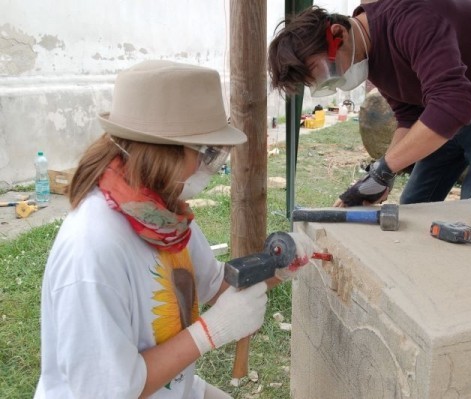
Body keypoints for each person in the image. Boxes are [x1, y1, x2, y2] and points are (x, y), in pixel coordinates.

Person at [34, 60, 300, 399]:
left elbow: (217, 285)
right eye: (205, 153)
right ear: (162, 153)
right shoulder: (92, 250)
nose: (207, 168)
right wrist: (208, 332)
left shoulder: (163, 218)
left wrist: (280, 265)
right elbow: (111, 390)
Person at [268, 0, 471, 207]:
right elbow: (409, 114)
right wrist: (380, 178)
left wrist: (385, 167)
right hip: (458, 99)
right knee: (415, 204)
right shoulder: (369, 54)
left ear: (337, 35)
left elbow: (454, 104)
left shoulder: (413, 19)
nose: (339, 80)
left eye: (328, 72)